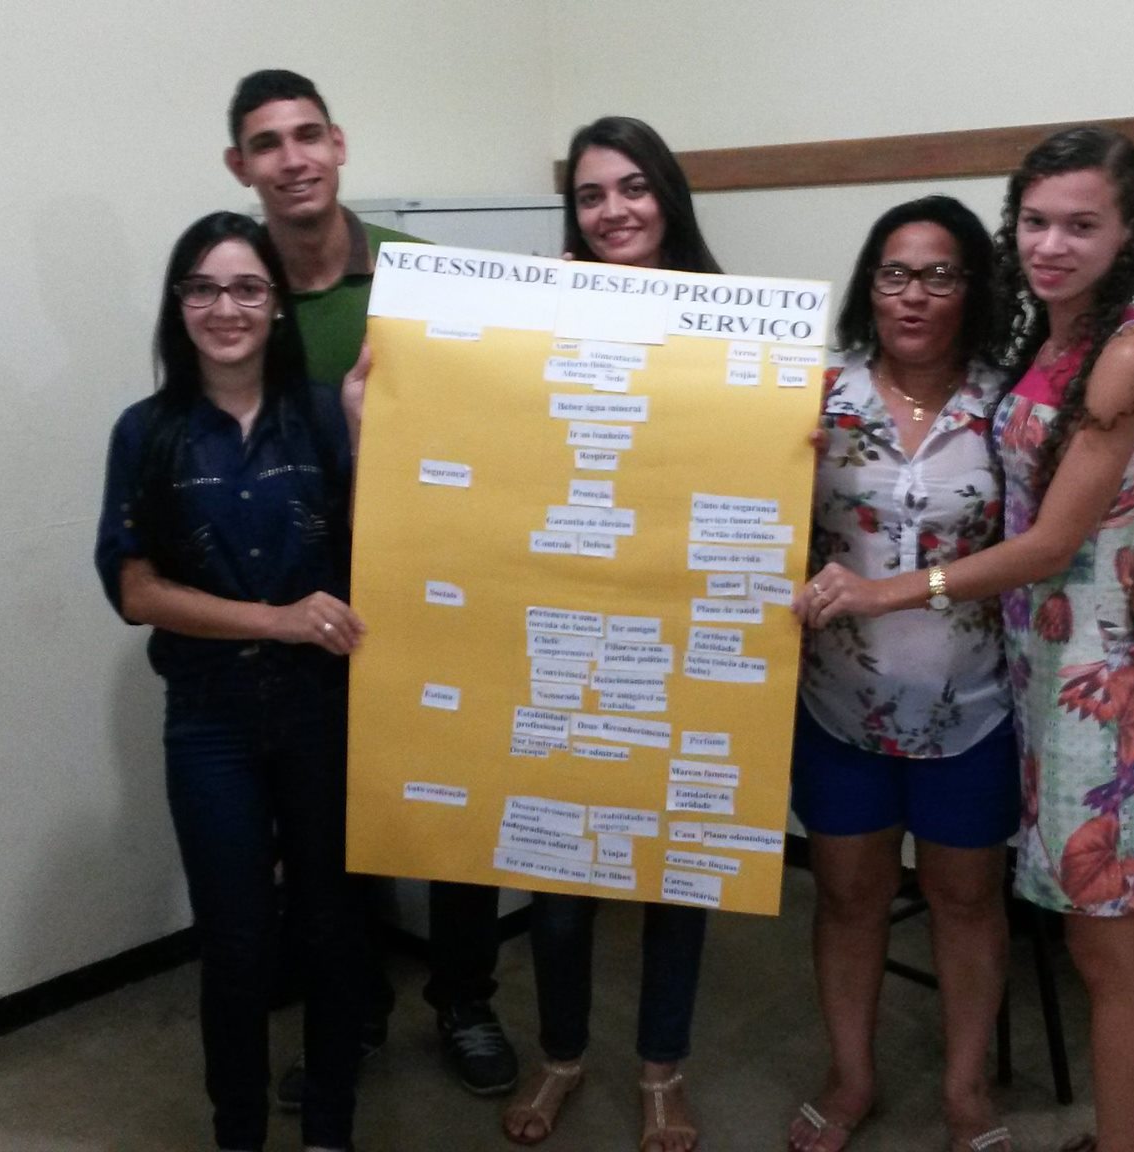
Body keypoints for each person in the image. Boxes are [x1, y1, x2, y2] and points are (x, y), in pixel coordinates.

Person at [795, 127, 1134, 1152]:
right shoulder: (1032, 361)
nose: (1052, 244)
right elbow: (1063, 506)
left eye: (1080, 224)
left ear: (1128, 233)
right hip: (937, 686)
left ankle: (1067, 1122)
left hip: (1041, 688)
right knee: (1099, 942)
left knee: (1095, 940)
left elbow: (1056, 534)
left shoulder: (1091, 360)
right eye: (1036, 222)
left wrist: (890, 591)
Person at [223, 67, 520, 1100]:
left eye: (308, 135)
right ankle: (350, 1011)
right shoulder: (237, 290)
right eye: (268, 143)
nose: (293, 159)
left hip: (439, 589)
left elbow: (498, 419)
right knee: (326, 826)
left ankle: (466, 997)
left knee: (457, 811)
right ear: (239, 166)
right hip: (303, 606)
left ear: (339, 144)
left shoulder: (422, 275)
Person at [94, 210, 369, 1152]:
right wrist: (277, 619)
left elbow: (390, 540)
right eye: (204, 288)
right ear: (179, 305)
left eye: (248, 288)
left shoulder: (324, 414)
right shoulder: (147, 433)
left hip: (322, 712)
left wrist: (366, 435)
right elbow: (136, 591)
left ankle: (329, 1126)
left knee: (333, 930)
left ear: (277, 305)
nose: (227, 308)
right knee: (238, 942)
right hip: (209, 722)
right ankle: (239, 1132)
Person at [499, 115, 722, 1152]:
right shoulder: (543, 316)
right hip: (563, 623)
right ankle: (560, 1055)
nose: (613, 211)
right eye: (590, 195)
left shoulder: (732, 319)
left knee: (675, 869)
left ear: (667, 194)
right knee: (557, 878)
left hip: (682, 630)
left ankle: (661, 1070)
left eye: (633, 187)